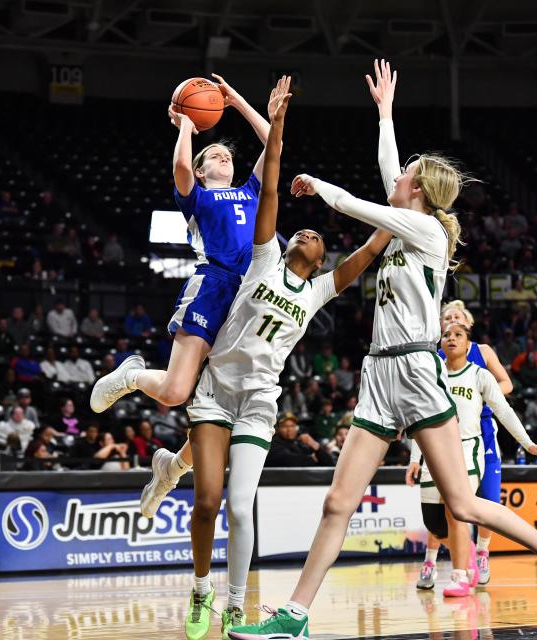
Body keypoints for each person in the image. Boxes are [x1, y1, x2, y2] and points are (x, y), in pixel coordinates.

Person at [229, 60, 537, 639]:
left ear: (416, 191)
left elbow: (360, 205)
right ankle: (294, 616)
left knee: (463, 505)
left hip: (419, 371)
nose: (396, 177)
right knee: (336, 505)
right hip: (379, 375)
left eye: (406, 176)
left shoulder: (423, 231)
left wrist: (319, 186)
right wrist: (386, 113)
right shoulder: (408, 217)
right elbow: (386, 167)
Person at [162, 77, 394, 640]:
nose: (309, 231)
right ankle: (200, 588)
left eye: (317, 236)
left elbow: (365, 250)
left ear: (317, 261)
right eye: (305, 229)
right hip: (217, 390)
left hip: (259, 403)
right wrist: (271, 116)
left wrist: (396, 215)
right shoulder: (265, 255)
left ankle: (238, 604)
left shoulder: (318, 291)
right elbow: (270, 184)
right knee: (208, 502)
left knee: (240, 509)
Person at [90, 72, 279, 508]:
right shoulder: (198, 197)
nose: (224, 157)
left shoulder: (251, 191)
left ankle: (171, 469)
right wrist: (188, 130)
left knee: (223, 419)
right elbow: (179, 168)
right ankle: (132, 375)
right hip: (212, 286)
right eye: (214, 155)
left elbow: (274, 144)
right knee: (175, 392)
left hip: (248, 299)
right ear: (201, 169)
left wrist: (237, 101)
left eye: (227, 155)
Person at [407, 322, 537, 597]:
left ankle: (459, 575)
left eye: (458, 335)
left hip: (466, 450)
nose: (451, 339)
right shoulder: (431, 375)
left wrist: (528, 443)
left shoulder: (480, 375)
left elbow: (505, 411)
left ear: (468, 344)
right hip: (433, 451)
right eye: (446, 335)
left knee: (456, 511)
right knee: (434, 523)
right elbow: (419, 418)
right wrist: (415, 457)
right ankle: (467, 552)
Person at [430, 300, 519, 586]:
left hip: (481, 428)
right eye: (447, 318)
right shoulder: (435, 357)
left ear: (467, 326)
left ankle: (481, 552)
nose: (451, 321)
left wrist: (483, 392)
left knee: (488, 500)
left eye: (457, 317)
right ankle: (434, 559)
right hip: (446, 432)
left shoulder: (483, 353)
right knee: (442, 501)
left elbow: (506, 385)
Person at [267, 412, 336, 468]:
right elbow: (287, 459)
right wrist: (311, 459)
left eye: (292, 426)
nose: (289, 429)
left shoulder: (301, 444)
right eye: (285, 426)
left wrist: (315, 446)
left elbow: (330, 464)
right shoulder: (273, 444)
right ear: (278, 429)